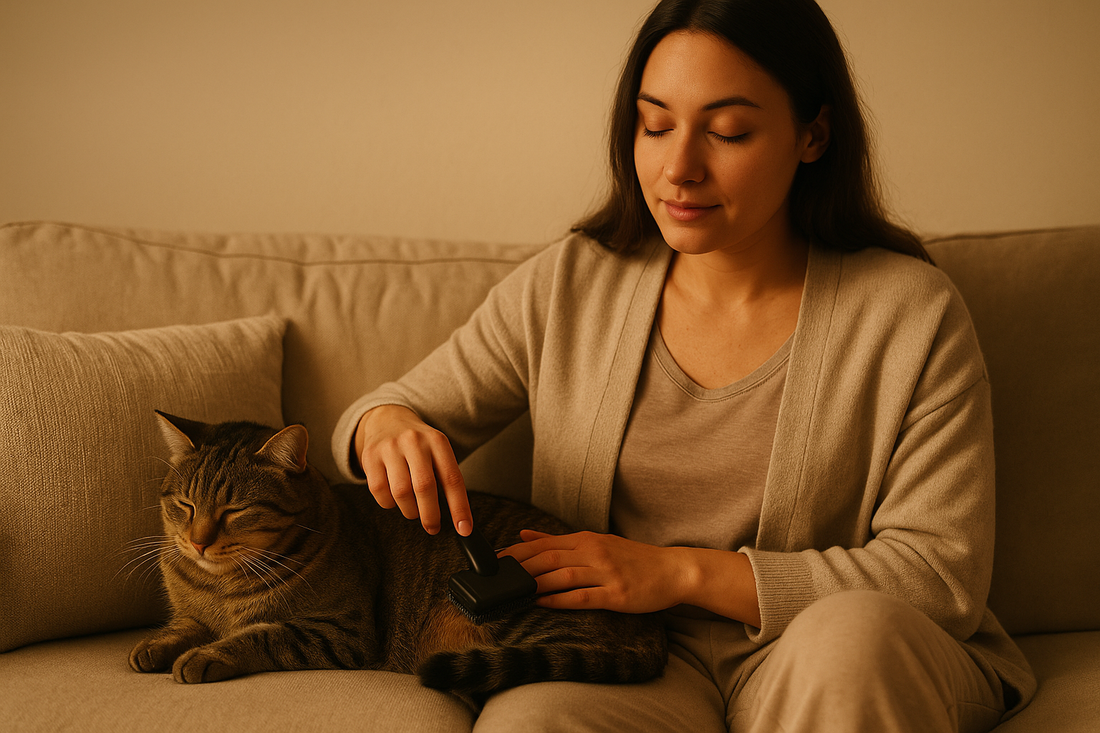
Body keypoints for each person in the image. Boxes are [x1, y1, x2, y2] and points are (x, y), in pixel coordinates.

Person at [332, 0, 1036, 730]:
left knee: (852, 642)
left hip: (825, 649)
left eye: (728, 131)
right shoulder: (572, 283)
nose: (679, 167)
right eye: (655, 124)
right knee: (531, 721)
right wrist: (387, 427)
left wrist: (675, 572)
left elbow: (939, 575)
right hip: (628, 656)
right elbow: (383, 413)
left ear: (813, 134)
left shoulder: (910, 313)